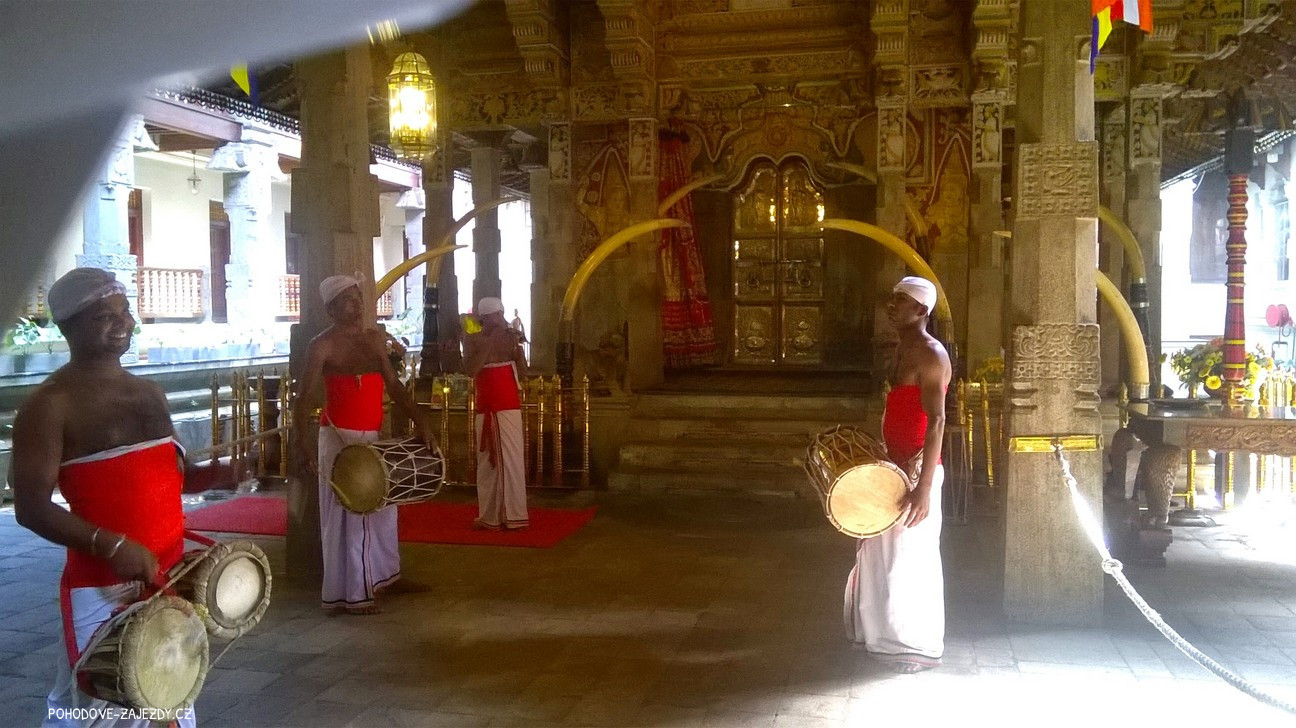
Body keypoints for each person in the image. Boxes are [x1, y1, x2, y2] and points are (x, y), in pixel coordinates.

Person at [12, 268, 236, 727]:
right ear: (68, 327)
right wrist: (112, 546)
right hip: (102, 585)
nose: (123, 323)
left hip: (168, 571)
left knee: (168, 691)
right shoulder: (49, 405)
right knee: (99, 708)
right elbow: (31, 508)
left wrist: (221, 474)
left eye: (125, 311)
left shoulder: (149, 393)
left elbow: (178, 477)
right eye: (104, 316)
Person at [293, 275, 437, 615]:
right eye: (348, 300)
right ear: (330, 309)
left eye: (358, 298)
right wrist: (302, 444)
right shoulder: (321, 345)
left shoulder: (374, 340)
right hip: (338, 440)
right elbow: (302, 398)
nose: (357, 305)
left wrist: (422, 422)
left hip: (371, 438)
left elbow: (395, 387)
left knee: (384, 510)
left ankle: (387, 576)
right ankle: (353, 594)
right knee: (347, 514)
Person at [844, 275, 951, 673]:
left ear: (921, 310)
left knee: (910, 558)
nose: (892, 306)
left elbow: (937, 421)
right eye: (892, 298)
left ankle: (916, 645)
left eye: (901, 300)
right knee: (880, 555)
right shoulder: (900, 350)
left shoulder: (931, 354)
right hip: (892, 467)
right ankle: (882, 638)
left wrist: (923, 489)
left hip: (918, 471)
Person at [462, 297, 528, 530]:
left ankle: (515, 515)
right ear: (485, 318)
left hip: (509, 406)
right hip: (487, 407)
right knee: (488, 465)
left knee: (512, 461)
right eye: (496, 315)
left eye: (501, 314)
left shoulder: (510, 338)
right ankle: (490, 516)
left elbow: (524, 373)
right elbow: (471, 370)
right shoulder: (472, 340)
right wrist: (491, 342)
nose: (501, 319)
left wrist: (518, 350)